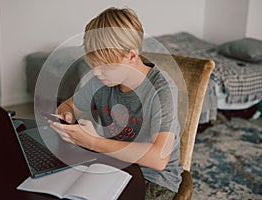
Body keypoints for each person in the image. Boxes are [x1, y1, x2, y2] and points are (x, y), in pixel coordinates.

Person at [49, 7, 183, 199]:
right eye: (93, 65)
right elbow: (68, 106)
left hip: (153, 179)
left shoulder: (162, 90)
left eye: (105, 66)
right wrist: (67, 118)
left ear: (131, 56)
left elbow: (159, 159)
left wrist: (94, 142)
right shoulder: (102, 80)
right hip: (111, 163)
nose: (96, 73)